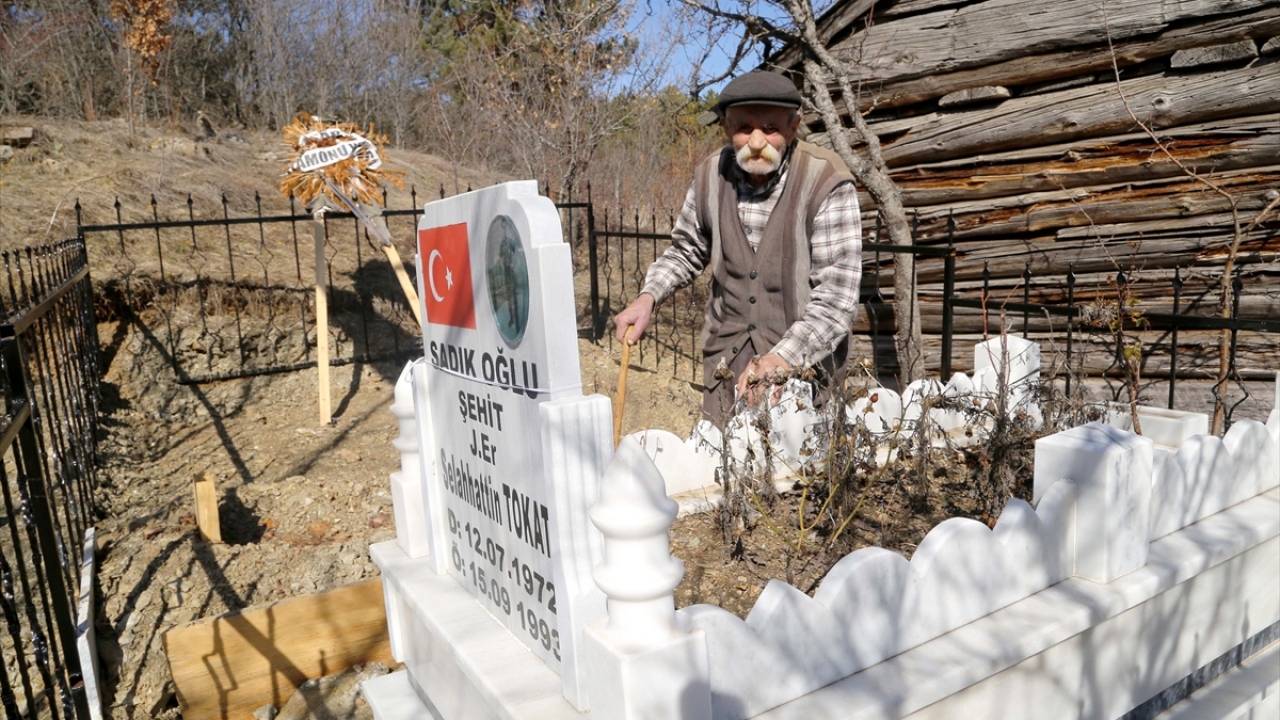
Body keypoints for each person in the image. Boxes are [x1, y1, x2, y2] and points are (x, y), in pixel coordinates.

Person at [614, 70, 863, 426]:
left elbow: (837, 299)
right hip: (725, 366)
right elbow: (687, 250)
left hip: (803, 370)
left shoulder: (827, 182)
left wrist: (781, 360)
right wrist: (647, 297)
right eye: (745, 127)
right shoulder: (709, 176)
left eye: (771, 128)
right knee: (721, 470)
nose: (757, 140)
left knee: (797, 475)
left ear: (793, 129)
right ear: (727, 128)